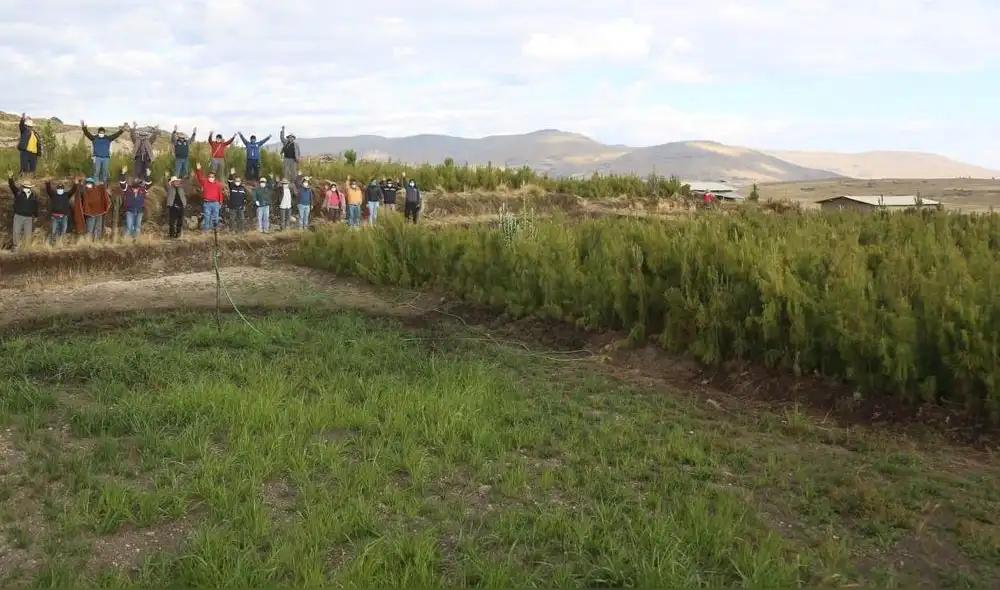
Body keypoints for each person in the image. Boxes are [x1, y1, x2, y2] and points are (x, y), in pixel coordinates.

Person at [7, 172, 38, 248]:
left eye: (28, 187)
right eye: (25, 186)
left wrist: (36, 216)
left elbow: (35, 206)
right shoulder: (18, 193)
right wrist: (10, 178)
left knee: (28, 233)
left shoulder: (34, 196)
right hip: (18, 216)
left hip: (28, 217)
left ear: (30, 187)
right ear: (23, 186)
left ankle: (26, 248)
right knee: (16, 232)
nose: (26, 188)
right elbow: (12, 186)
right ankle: (16, 247)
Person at [44, 179, 79, 244]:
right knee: (54, 232)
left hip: (64, 217)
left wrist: (76, 184)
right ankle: (53, 244)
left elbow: (72, 191)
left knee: (63, 232)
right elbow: (48, 190)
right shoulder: (53, 194)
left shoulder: (66, 195)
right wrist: (47, 183)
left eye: (61, 188)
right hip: (55, 217)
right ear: (57, 189)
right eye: (59, 188)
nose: (60, 189)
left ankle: (61, 244)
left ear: (63, 189)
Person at [194, 162, 224, 232]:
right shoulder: (205, 182)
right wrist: (199, 169)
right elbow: (200, 178)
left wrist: (220, 202)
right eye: (210, 177)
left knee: (215, 217)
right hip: (207, 203)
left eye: (212, 177)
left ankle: (213, 230)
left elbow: (220, 194)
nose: (211, 178)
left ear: (214, 177)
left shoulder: (217, 184)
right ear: (208, 177)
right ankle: (206, 230)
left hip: (216, 203)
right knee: (207, 217)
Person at [163, 173, 187, 239]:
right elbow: (166, 184)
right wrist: (166, 176)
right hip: (172, 207)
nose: (176, 183)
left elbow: (187, 182)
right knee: (172, 222)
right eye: (175, 181)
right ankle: (171, 235)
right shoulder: (170, 188)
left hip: (181, 206)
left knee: (180, 222)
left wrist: (190, 176)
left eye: (177, 181)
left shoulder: (181, 188)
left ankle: (178, 234)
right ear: (172, 182)